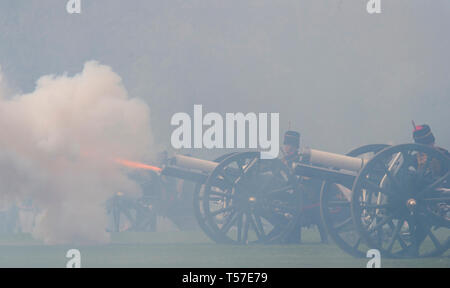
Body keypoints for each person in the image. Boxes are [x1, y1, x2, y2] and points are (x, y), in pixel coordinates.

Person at [281, 130, 328, 244]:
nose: (288, 148)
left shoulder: (301, 160)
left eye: (291, 145)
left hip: (307, 198)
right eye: (287, 145)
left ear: (295, 146)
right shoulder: (284, 161)